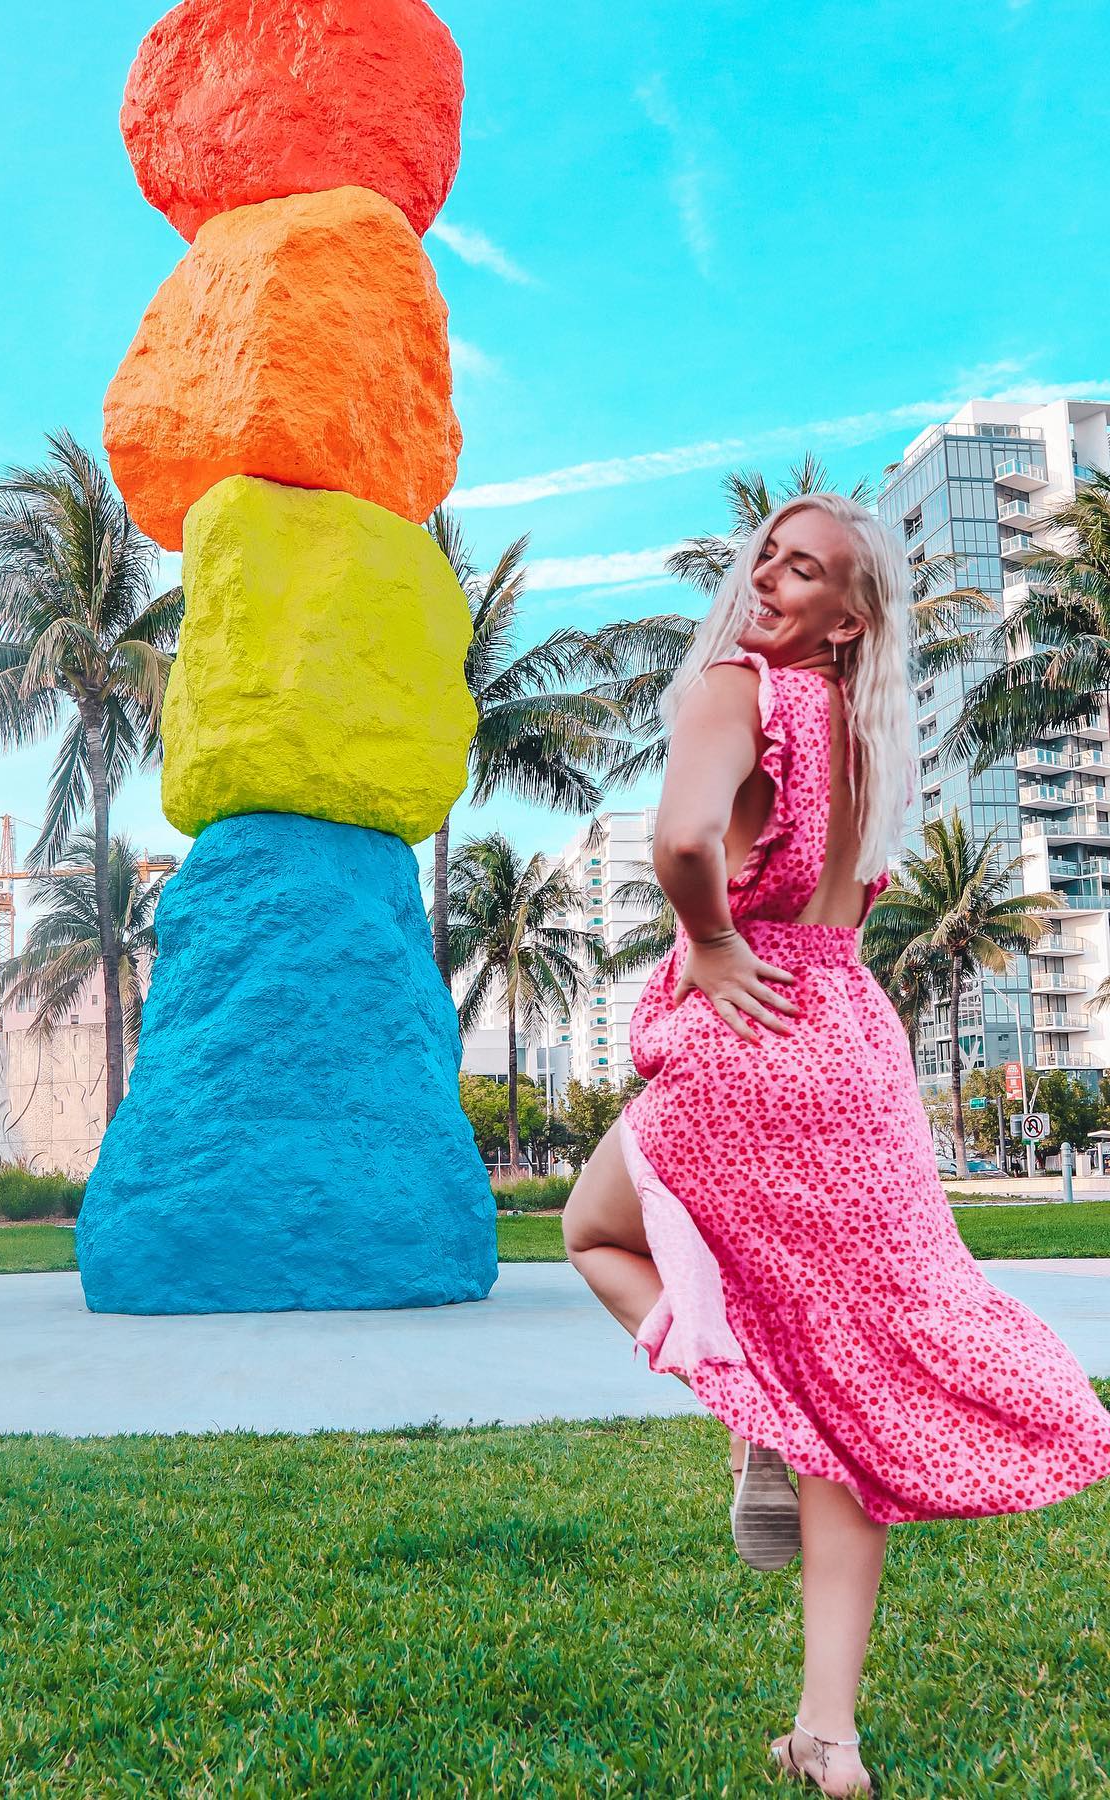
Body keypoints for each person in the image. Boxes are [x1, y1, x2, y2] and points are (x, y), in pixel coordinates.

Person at [561, 493, 1110, 1797]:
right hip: (857, 1047)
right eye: (768, 555)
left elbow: (686, 840)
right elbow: (842, 904)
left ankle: (753, 1410)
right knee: (852, 1383)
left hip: (754, 1033)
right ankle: (831, 1734)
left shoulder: (738, 690)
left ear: (847, 617)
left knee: (591, 1230)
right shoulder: (869, 748)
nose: (766, 578)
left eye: (801, 570)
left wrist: (703, 938)